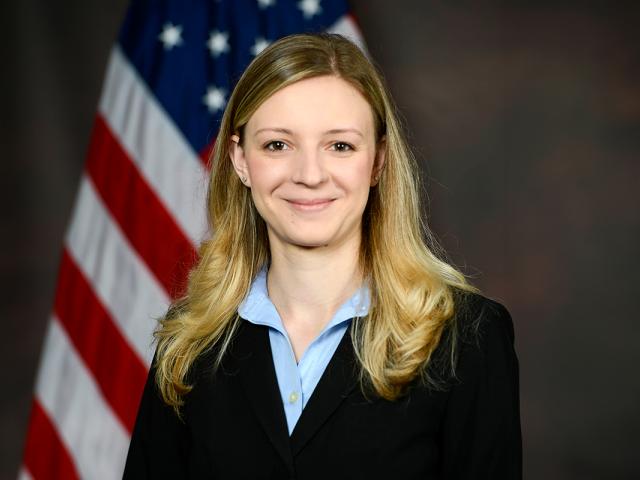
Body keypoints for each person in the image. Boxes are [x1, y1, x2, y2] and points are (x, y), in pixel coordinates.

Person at [123, 32, 521, 479]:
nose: (309, 175)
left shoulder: (467, 339)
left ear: (378, 162)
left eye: (340, 145)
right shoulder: (189, 346)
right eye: (278, 144)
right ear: (239, 160)